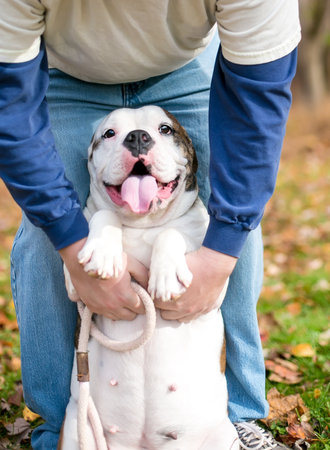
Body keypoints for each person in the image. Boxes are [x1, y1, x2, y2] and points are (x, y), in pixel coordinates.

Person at [0, 1, 300, 449]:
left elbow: (257, 107)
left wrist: (218, 258)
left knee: (234, 221)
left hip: (189, 62)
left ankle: (237, 419)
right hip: (63, 70)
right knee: (46, 236)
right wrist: (68, 241)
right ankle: (63, 427)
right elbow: (11, 110)